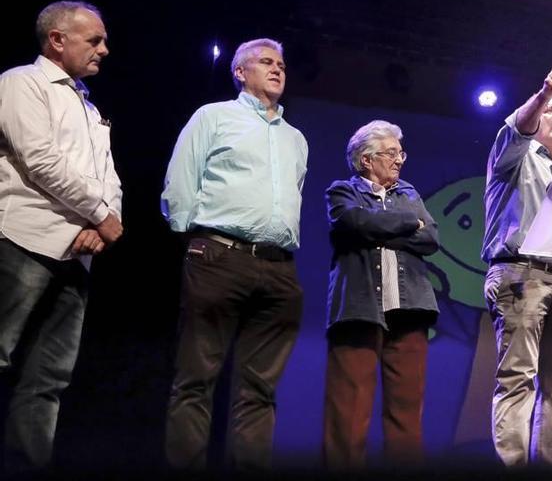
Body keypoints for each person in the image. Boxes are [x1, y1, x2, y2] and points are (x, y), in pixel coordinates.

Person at [160, 38, 308, 470]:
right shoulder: (214, 116)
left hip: (279, 268)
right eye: (265, 62)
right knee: (196, 380)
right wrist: (195, 240)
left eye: (281, 63)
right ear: (240, 73)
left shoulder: (296, 138)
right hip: (218, 256)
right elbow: (181, 180)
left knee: (260, 389)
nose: (277, 69)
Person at [0, 1, 122, 472]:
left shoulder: (88, 104)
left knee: (48, 378)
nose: (104, 50)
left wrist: (105, 221)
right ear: (57, 40)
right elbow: (40, 160)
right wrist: (98, 212)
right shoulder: (21, 83)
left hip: (75, 253)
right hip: (22, 241)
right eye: (94, 40)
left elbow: (108, 176)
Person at [481, 56, 552, 467]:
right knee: (518, 378)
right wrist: (545, 92)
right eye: (551, 112)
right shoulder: (513, 156)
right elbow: (517, 127)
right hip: (520, 272)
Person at [322, 120, 439, 469]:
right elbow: (354, 223)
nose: (399, 160)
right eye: (390, 153)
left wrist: (378, 226)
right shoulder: (342, 191)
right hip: (358, 308)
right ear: (365, 160)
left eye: (400, 153)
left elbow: (431, 238)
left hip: (409, 309)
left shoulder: (409, 193)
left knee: (406, 413)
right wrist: (406, 223)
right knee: (349, 411)